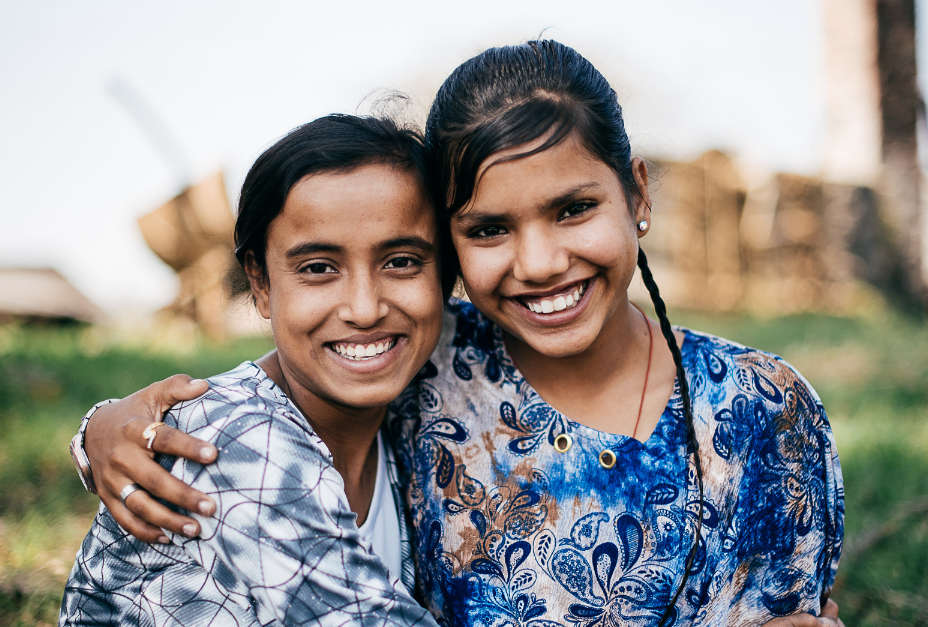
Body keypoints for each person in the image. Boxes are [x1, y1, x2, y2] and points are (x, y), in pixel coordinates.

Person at [72, 41, 844, 626]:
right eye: (489, 228)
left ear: (636, 191)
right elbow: (266, 406)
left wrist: (99, 430)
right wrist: (112, 427)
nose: (541, 262)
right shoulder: (431, 366)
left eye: (573, 208)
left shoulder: (762, 411)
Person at [61, 114, 448, 627]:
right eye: (318, 268)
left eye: (400, 261)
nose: (364, 307)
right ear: (261, 284)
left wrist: (96, 427)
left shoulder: (409, 414)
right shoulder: (238, 442)